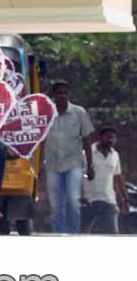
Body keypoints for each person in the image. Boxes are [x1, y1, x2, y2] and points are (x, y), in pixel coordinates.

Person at [41, 80, 95, 233]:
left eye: (65, 93)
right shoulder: (46, 112)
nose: (62, 96)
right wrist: (36, 164)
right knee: (56, 204)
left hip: (73, 163)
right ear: (54, 95)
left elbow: (86, 139)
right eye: (59, 93)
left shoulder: (79, 112)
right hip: (52, 164)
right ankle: (58, 232)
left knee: (73, 199)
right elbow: (39, 139)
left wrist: (90, 166)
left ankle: (73, 233)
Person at [81, 127, 127, 234]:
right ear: (100, 137)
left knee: (111, 236)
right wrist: (81, 195)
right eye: (108, 137)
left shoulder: (115, 155)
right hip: (89, 201)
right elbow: (78, 176)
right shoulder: (86, 154)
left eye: (113, 138)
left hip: (109, 201)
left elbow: (117, 177)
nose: (111, 140)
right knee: (80, 236)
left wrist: (125, 199)